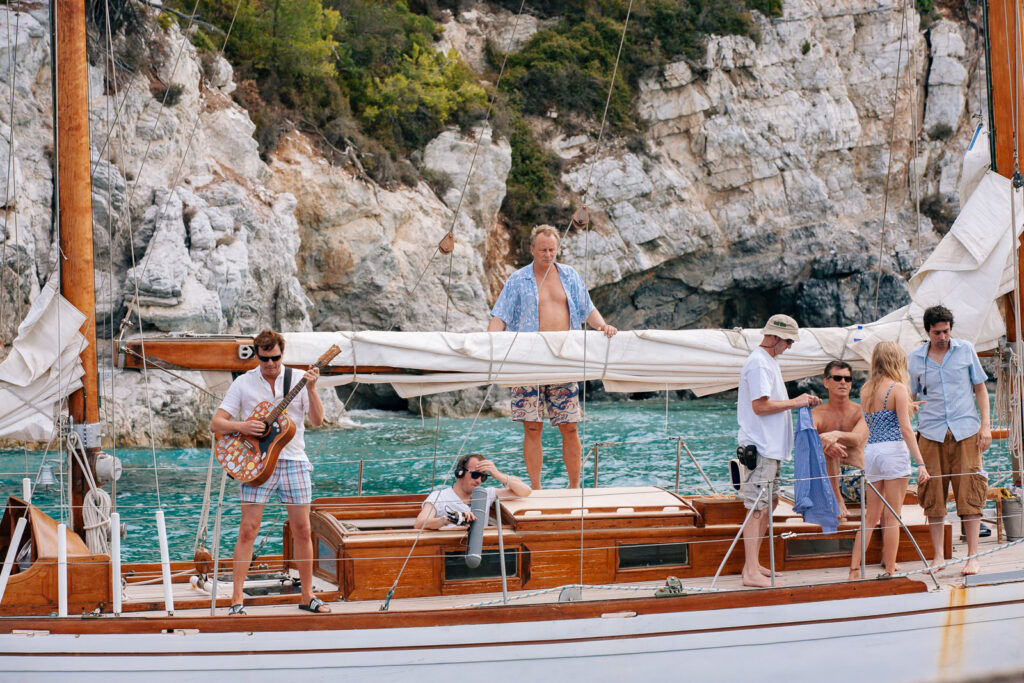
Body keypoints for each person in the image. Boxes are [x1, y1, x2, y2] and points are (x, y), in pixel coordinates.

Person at [209, 329, 329, 615]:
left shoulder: (299, 379)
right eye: (265, 359)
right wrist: (242, 427)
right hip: (257, 464)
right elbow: (217, 423)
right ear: (257, 355)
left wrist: (311, 389)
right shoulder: (244, 384)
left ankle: (307, 596)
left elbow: (318, 420)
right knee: (248, 529)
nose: (271, 364)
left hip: (294, 461)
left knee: (303, 529)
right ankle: (236, 599)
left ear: (281, 354)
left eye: (275, 358)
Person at [487, 224, 617, 489]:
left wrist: (602, 326)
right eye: (543, 249)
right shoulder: (517, 280)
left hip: (563, 360)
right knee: (533, 428)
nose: (548, 254)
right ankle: (536, 487)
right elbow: (499, 316)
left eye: (552, 250)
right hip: (527, 363)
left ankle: (574, 486)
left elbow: (587, 309)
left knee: (569, 426)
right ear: (532, 249)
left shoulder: (569, 276)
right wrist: (488, 342)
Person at [737, 314, 821, 587]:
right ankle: (749, 570)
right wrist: (796, 402)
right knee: (757, 508)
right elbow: (760, 406)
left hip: (769, 449)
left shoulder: (768, 362)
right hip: (760, 448)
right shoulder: (760, 364)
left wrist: (799, 403)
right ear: (773, 337)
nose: (789, 346)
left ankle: (754, 564)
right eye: (787, 340)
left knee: (768, 504)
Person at [909, 305, 991, 575]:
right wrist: (911, 407)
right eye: (936, 332)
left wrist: (986, 427)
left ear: (950, 329)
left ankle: (972, 557)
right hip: (930, 433)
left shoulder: (966, 350)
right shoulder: (915, 358)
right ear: (927, 331)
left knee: (970, 494)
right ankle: (937, 557)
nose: (942, 337)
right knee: (933, 497)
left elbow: (980, 389)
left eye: (945, 331)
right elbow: (910, 396)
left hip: (966, 431)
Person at [848, 342, 930, 579]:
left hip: (872, 452)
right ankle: (890, 567)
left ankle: (854, 567)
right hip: (893, 451)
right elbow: (904, 428)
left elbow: (882, 417)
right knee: (892, 516)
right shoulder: (898, 388)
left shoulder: (866, 389)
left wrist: (909, 406)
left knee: (871, 517)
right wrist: (921, 463)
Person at [812, 360, 868, 519]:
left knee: (828, 442)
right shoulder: (816, 414)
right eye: (837, 378)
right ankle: (837, 499)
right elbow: (808, 442)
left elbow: (857, 439)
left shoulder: (861, 412)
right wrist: (826, 442)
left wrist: (835, 435)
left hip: (856, 478)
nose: (843, 382)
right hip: (827, 482)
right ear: (826, 382)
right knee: (827, 447)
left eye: (847, 379)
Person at [414, 454, 532, 530]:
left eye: (483, 477)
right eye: (475, 475)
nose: (479, 481)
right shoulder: (439, 497)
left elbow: (525, 491)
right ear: (460, 473)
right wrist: (449, 519)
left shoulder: (486, 494)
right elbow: (419, 524)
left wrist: (497, 475)